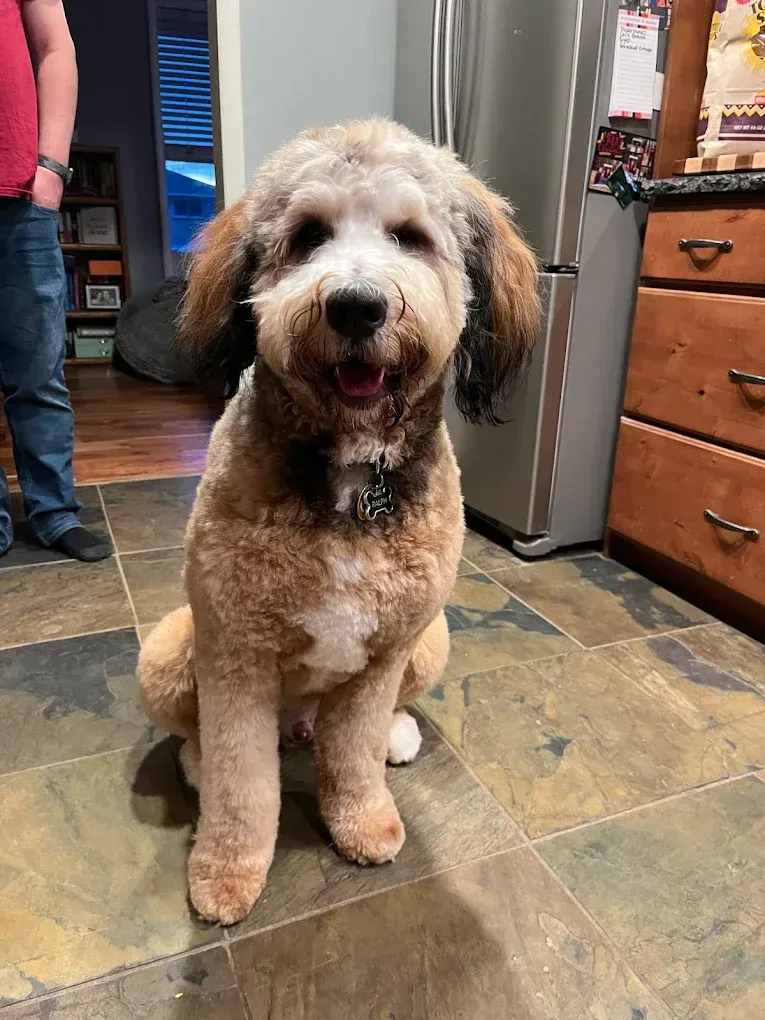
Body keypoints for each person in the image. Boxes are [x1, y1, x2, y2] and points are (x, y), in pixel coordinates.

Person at [0, 0, 110, 561]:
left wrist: (51, 170)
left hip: (20, 196)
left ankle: (53, 512)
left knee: (39, 372)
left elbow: (54, 47)